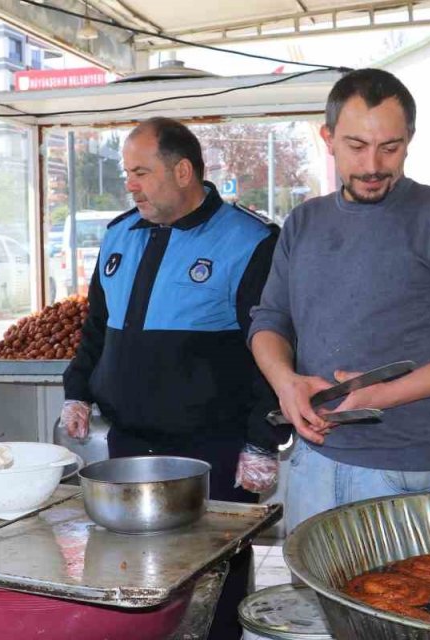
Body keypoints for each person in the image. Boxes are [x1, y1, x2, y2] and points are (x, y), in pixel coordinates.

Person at [248, 69, 430, 533]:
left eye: (389, 147)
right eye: (356, 146)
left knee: (398, 605)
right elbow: (269, 321)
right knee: (311, 605)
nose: (373, 164)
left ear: (409, 139)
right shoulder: (303, 222)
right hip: (312, 464)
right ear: (328, 137)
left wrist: (384, 395)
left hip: (408, 473)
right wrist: (285, 382)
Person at [61, 117, 285, 640]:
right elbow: (97, 328)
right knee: (136, 576)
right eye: (127, 173)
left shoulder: (249, 241)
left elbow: (274, 347)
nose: (129, 185)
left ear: (183, 171)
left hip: (215, 449)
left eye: (141, 172)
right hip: (131, 442)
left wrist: (261, 439)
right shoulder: (119, 235)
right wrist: (78, 390)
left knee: (214, 581)